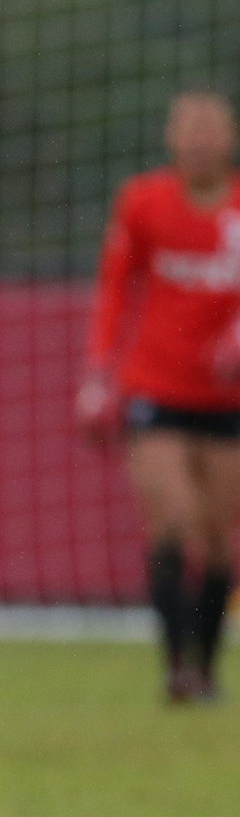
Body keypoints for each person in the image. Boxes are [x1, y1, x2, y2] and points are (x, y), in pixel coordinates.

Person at [78, 89, 240, 704]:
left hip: (226, 400)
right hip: (154, 389)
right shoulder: (143, 202)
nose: (200, 140)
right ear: (171, 139)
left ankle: (206, 668)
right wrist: (98, 375)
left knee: (219, 538)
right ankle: (175, 668)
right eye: (189, 129)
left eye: (211, 129)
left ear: (229, 137)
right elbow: (114, 289)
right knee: (174, 520)